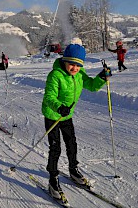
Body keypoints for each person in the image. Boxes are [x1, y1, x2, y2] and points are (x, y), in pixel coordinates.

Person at [42, 41, 111, 199]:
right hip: (53, 115)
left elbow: (92, 86)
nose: (75, 68)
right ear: (65, 60)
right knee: (56, 148)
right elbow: (49, 97)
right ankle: (53, 179)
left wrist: (101, 77)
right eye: (71, 64)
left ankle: (73, 170)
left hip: (67, 116)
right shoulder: (55, 75)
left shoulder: (80, 75)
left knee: (71, 143)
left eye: (78, 65)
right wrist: (59, 107)